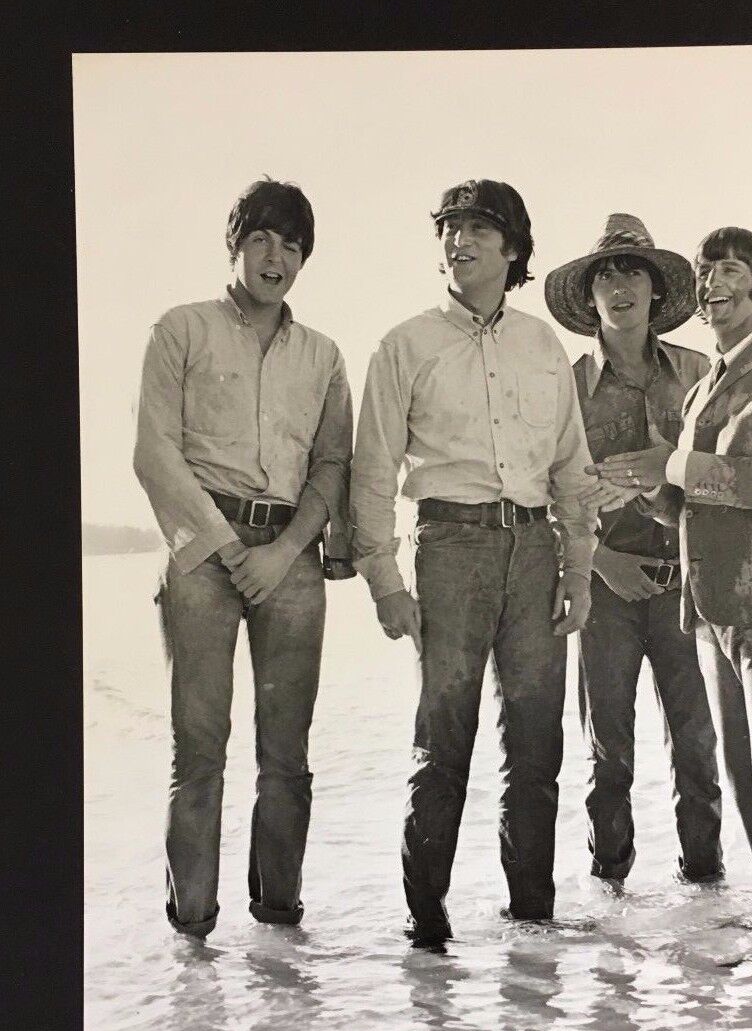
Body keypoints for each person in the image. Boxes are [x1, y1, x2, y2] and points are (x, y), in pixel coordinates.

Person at [588, 226, 752, 964]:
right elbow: (692, 505)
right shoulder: (704, 387)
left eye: (730, 269)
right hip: (712, 615)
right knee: (744, 777)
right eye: (704, 272)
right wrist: (647, 491)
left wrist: (672, 463)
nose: (712, 283)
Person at [350, 178, 597, 947]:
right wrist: (384, 581)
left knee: (536, 745)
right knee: (442, 743)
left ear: (512, 248)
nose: (458, 242)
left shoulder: (542, 346)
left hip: (536, 550)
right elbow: (371, 471)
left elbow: (571, 465)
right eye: (449, 229)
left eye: (477, 229)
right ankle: (426, 933)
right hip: (449, 548)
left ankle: (533, 926)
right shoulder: (404, 344)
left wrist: (577, 568)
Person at [134, 177, 354, 938]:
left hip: (291, 559)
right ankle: (191, 940)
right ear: (234, 246)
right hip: (202, 555)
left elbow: (332, 465)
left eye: (291, 245)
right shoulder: (181, 329)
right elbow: (154, 452)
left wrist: (285, 550)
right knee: (199, 754)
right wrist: (229, 548)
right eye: (260, 238)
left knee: (286, 756)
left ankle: (280, 937)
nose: (274, 257)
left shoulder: (324, 356)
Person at [544, 214, 723, 889]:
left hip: (688, 590)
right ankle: (609, 899)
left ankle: (706, 896)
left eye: (633, 274)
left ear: (656, 290)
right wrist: (600, 562)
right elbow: (542, 494)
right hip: (605, 593)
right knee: (608, 755)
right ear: (589, 297)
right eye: (606, 277)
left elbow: (723, 478)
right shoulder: (564, 386)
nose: (620, 288)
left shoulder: (701, 373)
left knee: (697, 749)